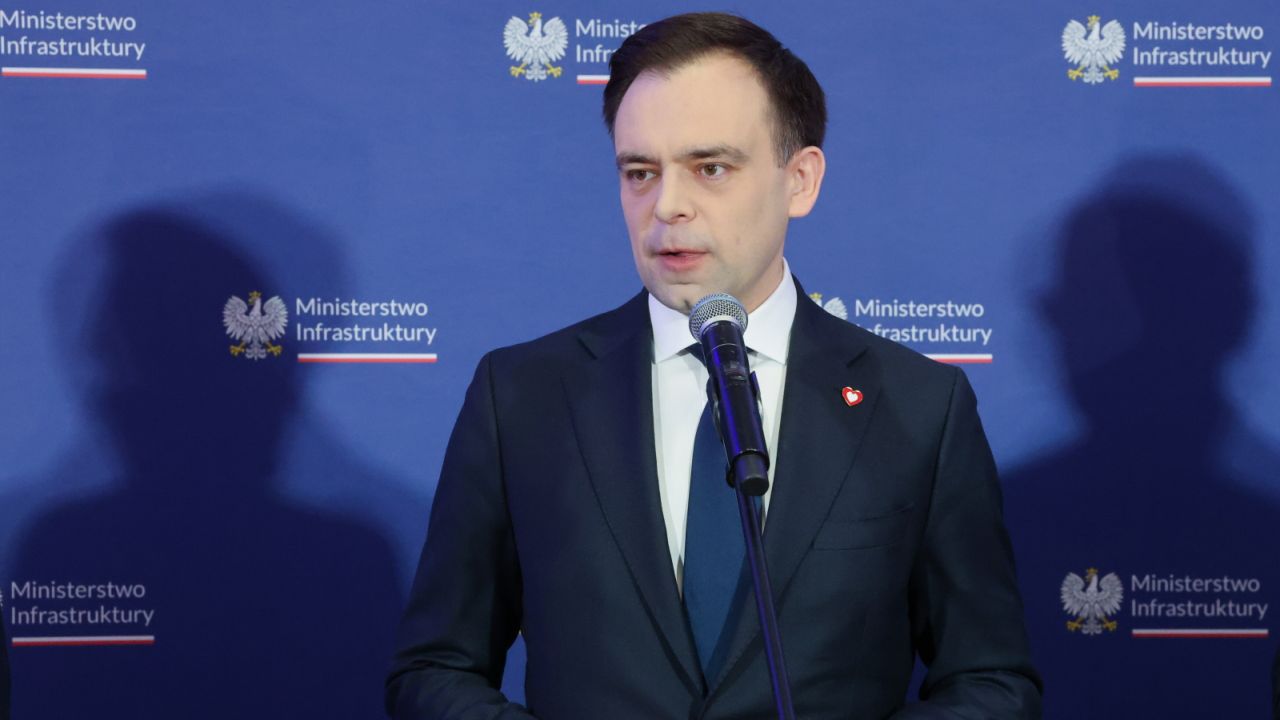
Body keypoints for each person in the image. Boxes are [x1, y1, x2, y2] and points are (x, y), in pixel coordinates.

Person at [387, 12, 1040, 719]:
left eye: (711, 168)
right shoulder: (522, 397)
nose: (667, 206)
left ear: (800, 180)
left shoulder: (919, 406)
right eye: (640, 172)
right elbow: (434, 670)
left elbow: (991, 683)